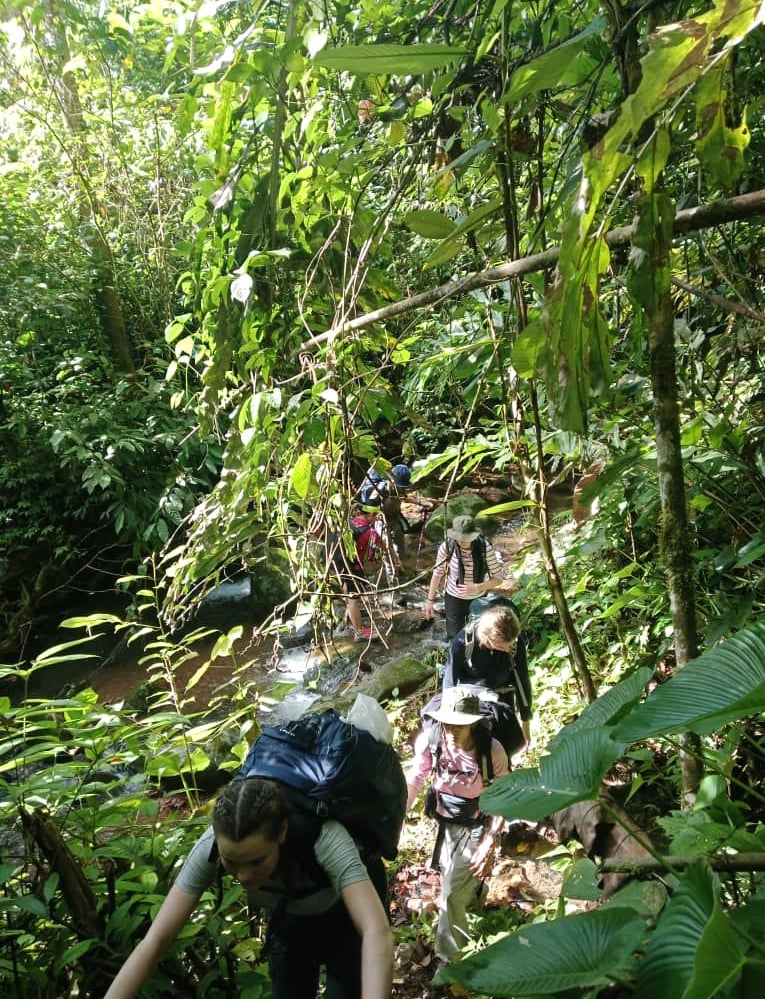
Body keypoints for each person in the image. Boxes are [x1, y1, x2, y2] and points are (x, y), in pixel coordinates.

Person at [103, 777, 394, 999]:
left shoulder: (324, 839)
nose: (243, 876)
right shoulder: (210, 848)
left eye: (256, 861)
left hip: (344, 915)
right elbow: (153, 942)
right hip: (288, 917)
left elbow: (375, 931)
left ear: (281, 833)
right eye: (231, 861)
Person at [405, 687, 508, 971]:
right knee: (450, 874)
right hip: (446, 819)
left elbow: (505, 796)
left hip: (478, 823)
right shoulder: (431, 739)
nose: (451, 729)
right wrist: (400, 811)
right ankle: (474, 894)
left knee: (449, 893)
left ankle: (449, 963)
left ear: (473, 722)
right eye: (446, 721)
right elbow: (417, 776)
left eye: (459, 724)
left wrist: (491, 839)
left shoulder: (492, 751)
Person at [443, 603, 532, 754]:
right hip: (470, 699)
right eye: (503, 646)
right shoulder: (462, 642)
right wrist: (449, 720)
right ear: (488, 637)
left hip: (502, 697)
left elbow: (522, 680)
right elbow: (449, 682)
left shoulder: (515, 643)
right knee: (476, 748)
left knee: (505, 749)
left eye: (510, 646)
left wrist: (525, 721)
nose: (508, 649)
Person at [423, 514, 516, 638]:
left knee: (479, 636)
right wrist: (430, 601)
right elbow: (437, 573)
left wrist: (477, 587)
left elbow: (498, 579)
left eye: (467, 538)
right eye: (460, 538)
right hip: (454, 598)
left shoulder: (484, 548)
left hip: (478, 598)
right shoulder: (447, 547)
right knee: (454, 637)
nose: (463, 542)